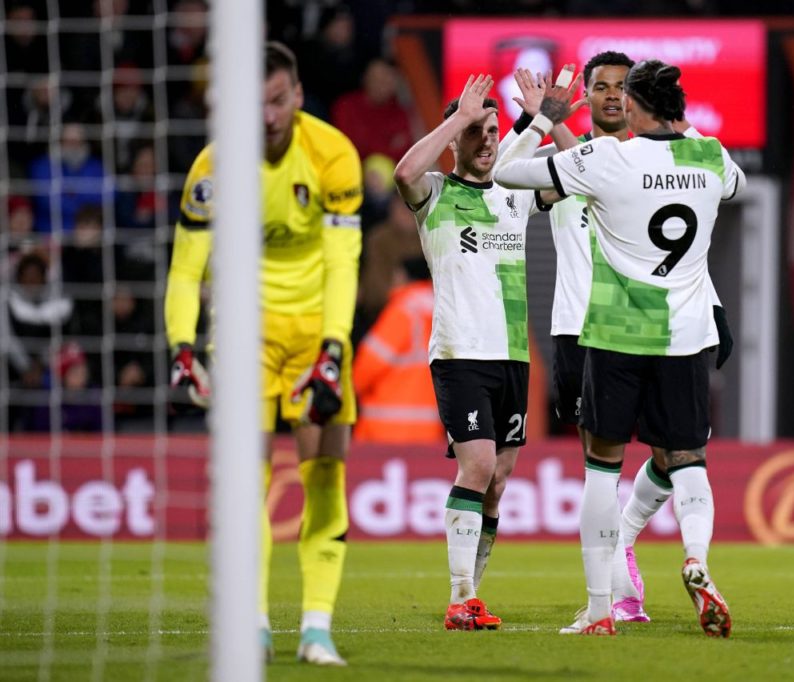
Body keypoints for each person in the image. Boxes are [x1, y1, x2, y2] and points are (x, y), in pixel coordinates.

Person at [495, 58, 745, 637]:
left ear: (633, 103)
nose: (612, 98)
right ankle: (679, 562)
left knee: (606, 469)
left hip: (614, 334)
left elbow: (507, 175)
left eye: (620, 89)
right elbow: (731, 185)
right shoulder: (700, 154)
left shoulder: (599, 162)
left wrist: (539, 124)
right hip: (621, 331)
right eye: (601, 88)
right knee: (685, 458)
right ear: (586, 97)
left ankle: (605, 593)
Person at [163, 42, 362, 666]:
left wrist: (332, 349)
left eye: (278, 101)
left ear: (297, 96)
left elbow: (341, 264)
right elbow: (185, 267)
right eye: (256, 105)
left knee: (325, 475)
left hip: (315, 332)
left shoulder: (333, 154)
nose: (268, 116)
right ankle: (251, 625)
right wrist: (182, 344)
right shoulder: (213, 167)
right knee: (247, 484)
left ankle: (316, 628)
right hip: (243, 332)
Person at [393, 73, 563, 631]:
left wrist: (546, 119)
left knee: (497, 482)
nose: (487, 140)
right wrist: (459, 119)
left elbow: (570, 176)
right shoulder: (435, 194)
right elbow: (403, 172)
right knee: (480, 465)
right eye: (475, 133)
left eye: (492, 130)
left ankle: (472, 597)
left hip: (513, 355)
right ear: (456, 140)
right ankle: (459, 594)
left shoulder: (514, 192)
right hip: (460, 352)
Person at [352, 257, 443, 443]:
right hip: (431, 430)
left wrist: (348, 390)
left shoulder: (403, 311)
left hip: (384, 430)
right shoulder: (444, 312)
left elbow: (367, 366)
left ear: (402, 276)